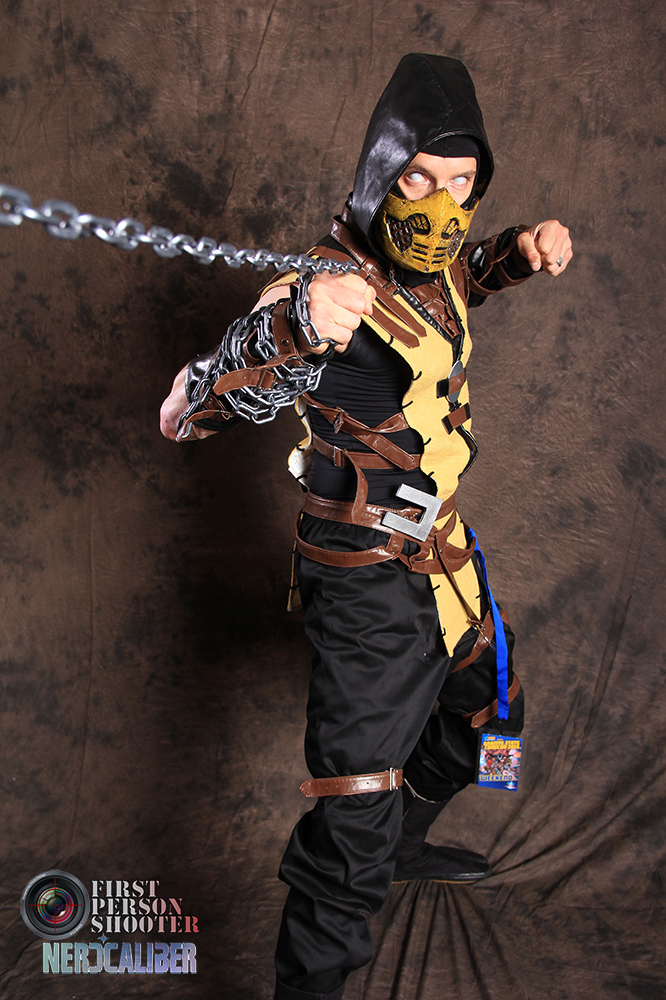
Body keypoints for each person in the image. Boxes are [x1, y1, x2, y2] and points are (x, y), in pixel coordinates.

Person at [161, 53, 572, 1000]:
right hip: (361, 573)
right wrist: (292, 328)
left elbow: (460, 278)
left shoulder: (434, 265)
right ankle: (316, 973)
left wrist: (519, 250)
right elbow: (181, 414)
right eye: (418, 179)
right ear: (380, 173)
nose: (440, 204)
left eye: (461, 183)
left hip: (445, 553)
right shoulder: (316, 288)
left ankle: (402, 848)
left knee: (493, 722)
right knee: (354, 803)